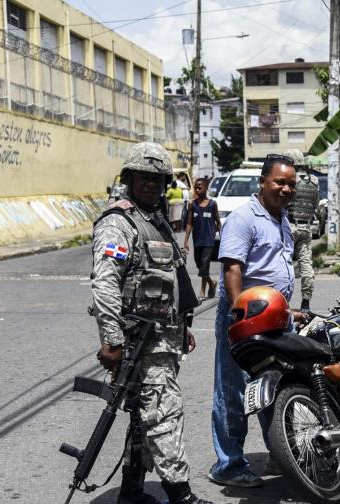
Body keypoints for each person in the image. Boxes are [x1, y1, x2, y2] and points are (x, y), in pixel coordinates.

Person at [90, 142, 211, 504]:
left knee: (144, 418)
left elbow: (166, 282)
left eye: (158, 179)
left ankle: (131, 491)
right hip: (139, 342)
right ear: (129, 178)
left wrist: (181, 326)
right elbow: (106, 282)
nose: (151, 185)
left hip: (161, 337)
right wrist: (112, 340)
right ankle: (181, 495)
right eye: (144, 177)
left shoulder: (154, 219)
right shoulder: (119, 223)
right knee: (165, 414)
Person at [210, 153, 298, 488]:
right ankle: (229, 465)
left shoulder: (281, 218)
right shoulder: (244, 218)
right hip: (244, 318)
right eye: (279, 182)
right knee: (233, 391)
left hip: (275, 317)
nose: (286, 189)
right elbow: (233, 269)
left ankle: (280, 453)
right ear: (263, 181)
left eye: (291, 183)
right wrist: (239, 317)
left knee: (275, 387)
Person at [284, 149, 320, 310]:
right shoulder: (314, 181)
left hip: (289, 226)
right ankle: (306, 302)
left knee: (284, 264)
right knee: (306, 266)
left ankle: (282, 300)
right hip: (306, 227)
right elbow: (315, 204)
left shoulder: (290, 180)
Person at [183, 178, 221, 299]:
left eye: (200, 187)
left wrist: (223, 237)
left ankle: (202, 291)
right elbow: (189, 223)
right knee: (199, 265)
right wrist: (186, 240)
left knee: (205, 265)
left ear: (206, 188)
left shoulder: (212, 204)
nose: (197, 190)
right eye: (196, 187)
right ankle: (212, 282)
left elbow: (218, 222)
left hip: (209, 240)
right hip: (197, 240)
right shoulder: (192, 205)